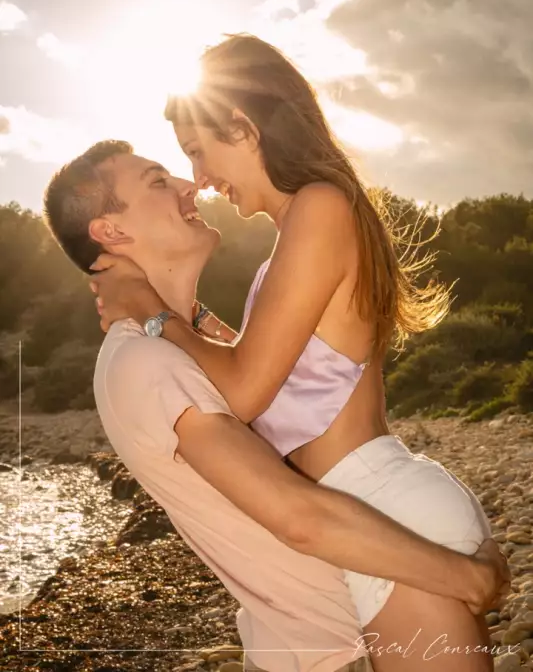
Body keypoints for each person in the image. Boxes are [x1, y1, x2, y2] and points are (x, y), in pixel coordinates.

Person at [90, 36, 508, 671]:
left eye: (199, 153)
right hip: (370, 518)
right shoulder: (304, 224)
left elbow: (247, 390)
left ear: (244, 126)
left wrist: (152, 311)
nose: (199, 179)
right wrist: (180, 315)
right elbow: (277, 370)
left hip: (383, 514)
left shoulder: (320, 207)